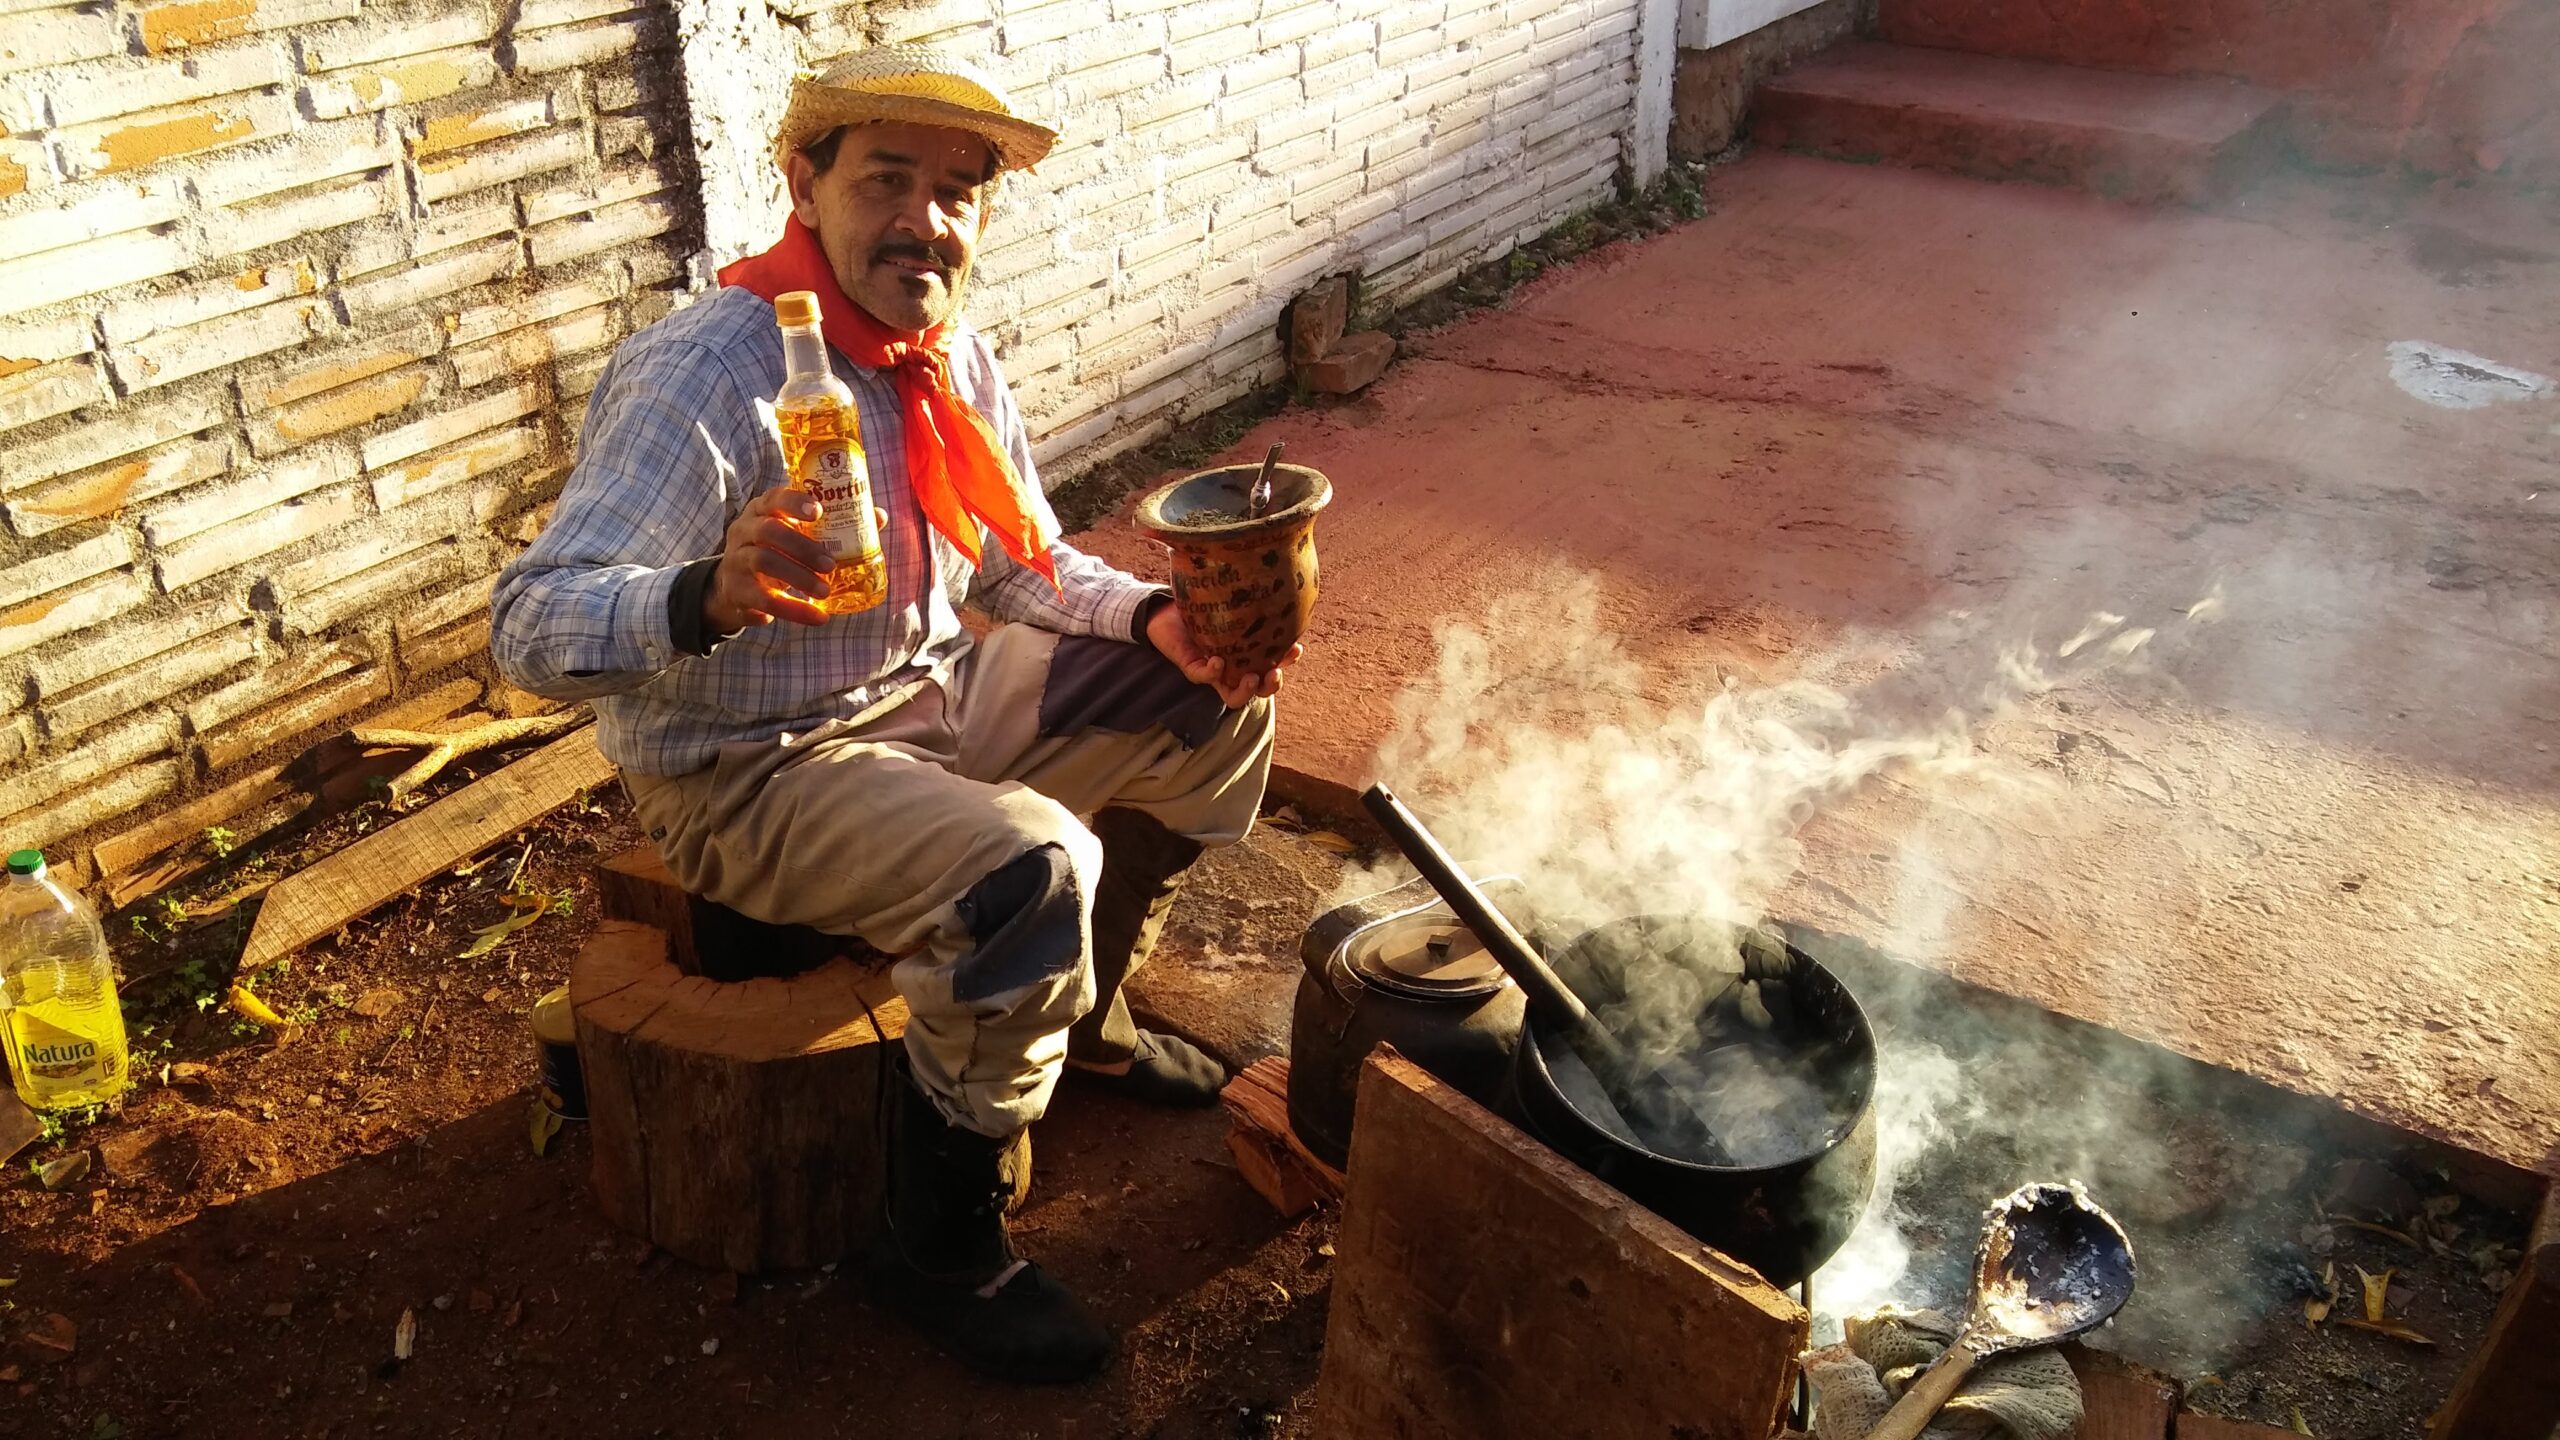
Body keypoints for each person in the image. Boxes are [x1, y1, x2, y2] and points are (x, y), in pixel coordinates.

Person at [489, 44, 1294, 1384]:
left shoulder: (946, 359)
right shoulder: (711, 371)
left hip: (927, 696)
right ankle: (939, 1237)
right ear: (805, 185)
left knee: (1211, 699)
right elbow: (527, 627)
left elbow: (1017, 563)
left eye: (958, 191)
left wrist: (1159, 619)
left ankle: (1080, 1025)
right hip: (753, 771)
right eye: (887, 180)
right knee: (1032, 867)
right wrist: (704, 593)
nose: (926, 218)